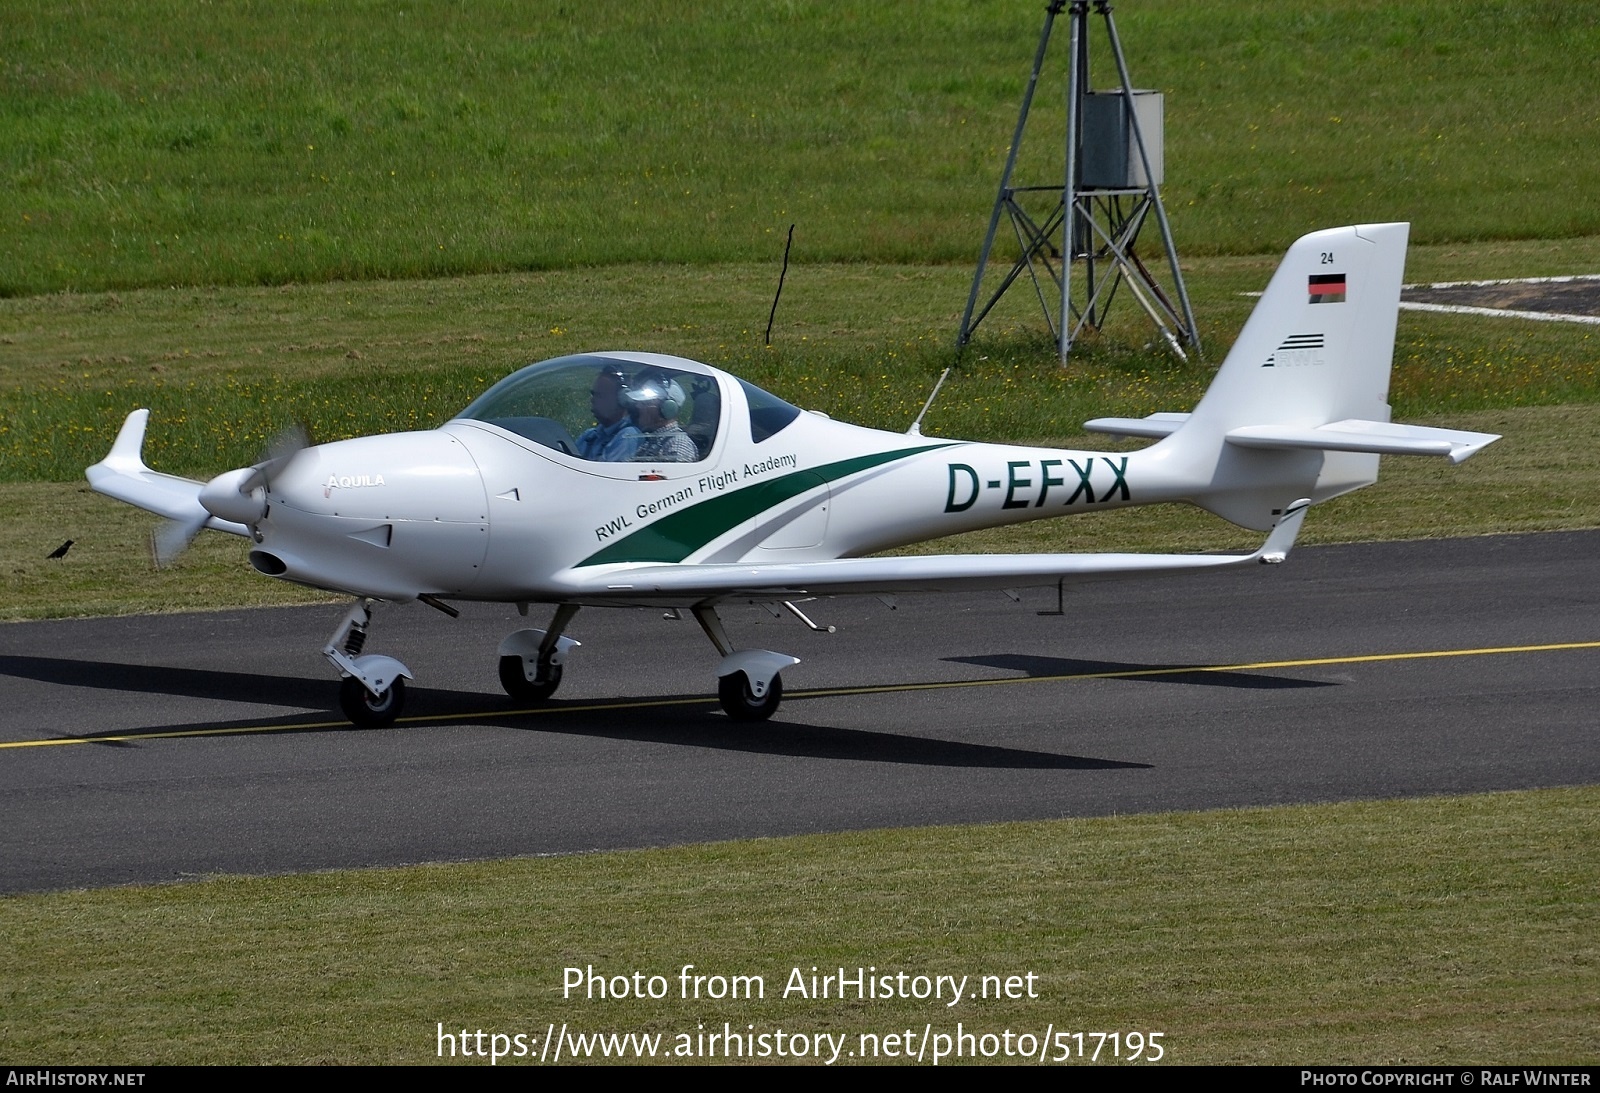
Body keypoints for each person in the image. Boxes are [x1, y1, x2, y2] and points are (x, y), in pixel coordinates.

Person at [625, 371, 698, 463]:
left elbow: (677, 477)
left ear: (667, 409)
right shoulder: (653, 440)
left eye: (645, 403)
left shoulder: (677, 445)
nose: (638, 406)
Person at [575, 365, 642, 460]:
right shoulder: (589, 435)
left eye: (600, 395)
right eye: (593, 394)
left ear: (622, 400)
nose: (592, 400)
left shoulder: (628, 436)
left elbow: (602, 473)